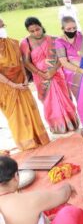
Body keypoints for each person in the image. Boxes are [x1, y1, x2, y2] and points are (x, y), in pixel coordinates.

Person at [20, 17, 79, 134]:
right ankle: (57, 127)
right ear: (28, 31)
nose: (36, 32)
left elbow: (62, 57)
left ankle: (72, 122)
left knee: (65, 98)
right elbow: (26, 62)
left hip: (57, 74)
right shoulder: (25, 43)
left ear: (41, 26)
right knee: (49, 102)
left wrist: (53, 70)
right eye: (32, 31)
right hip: (41, 78)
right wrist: (40, 73)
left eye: (38, 29)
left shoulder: (54, 40)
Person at [0, 18, 50, 150]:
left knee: (31, 110)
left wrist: (25, 78)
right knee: (16, 116)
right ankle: (27, 144)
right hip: (5, 88)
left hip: (21, 83)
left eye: (2, 26)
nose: (2, 30)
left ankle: (39, 138)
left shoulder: (12, 43)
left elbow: (21, 62)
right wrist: (13, 85)